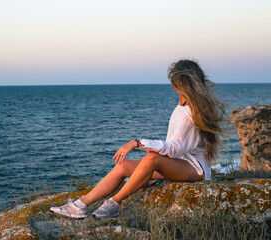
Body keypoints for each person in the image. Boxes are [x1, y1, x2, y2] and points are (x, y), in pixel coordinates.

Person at [50, 59, 226, 219]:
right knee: (123, 166)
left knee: (152, 158)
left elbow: (175, 148)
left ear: (181, 84)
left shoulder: (190, 111)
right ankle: (80, 206)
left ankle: (113, 204)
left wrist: (137, 143)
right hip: (179, 163)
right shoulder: (188, 105)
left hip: (195, 169)